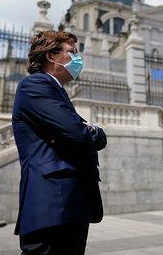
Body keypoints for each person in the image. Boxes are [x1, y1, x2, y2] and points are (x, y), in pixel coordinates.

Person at [12, 30, 107, 255]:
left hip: (68, 205)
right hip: (51, 205)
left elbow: (79, 133)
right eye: (72, 52)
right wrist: (90, 129)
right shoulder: (35, 85)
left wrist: (87, 131)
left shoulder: (56, 91)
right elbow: (78, 133)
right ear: (52, 57)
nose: (77, 58)